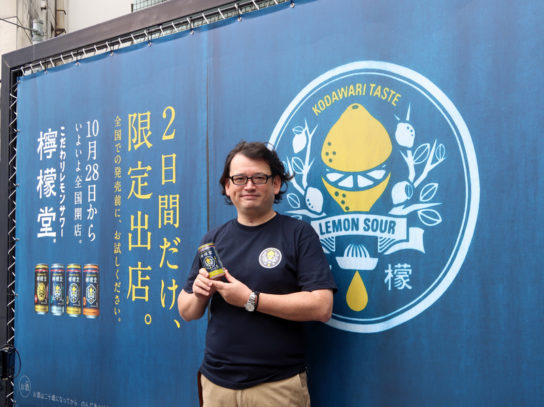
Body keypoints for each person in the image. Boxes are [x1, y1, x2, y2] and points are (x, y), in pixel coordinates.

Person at [178, 141, 336, 407]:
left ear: (276, 184)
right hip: (217, 385)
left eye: (259, 178)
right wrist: (199, 293)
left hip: (276, 386)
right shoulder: (213, 240)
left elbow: (322, 307)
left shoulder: (298, 234)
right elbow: (187, 311)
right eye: (239, 179)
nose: (249, 186)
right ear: (227, 187)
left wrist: (250, 299)